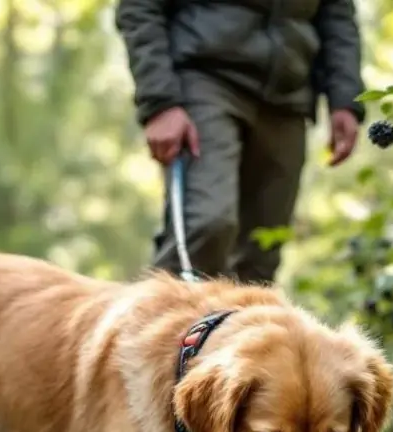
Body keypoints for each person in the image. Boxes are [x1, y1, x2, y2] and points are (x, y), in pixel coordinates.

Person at [116, 0, 365, 284]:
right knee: (207, 226)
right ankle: (157, 324)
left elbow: (337, 14)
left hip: (288, 97)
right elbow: (139, 6)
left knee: (260, 257)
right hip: (205, 81)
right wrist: (159, 102)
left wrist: (345, 97)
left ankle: (241, 327)